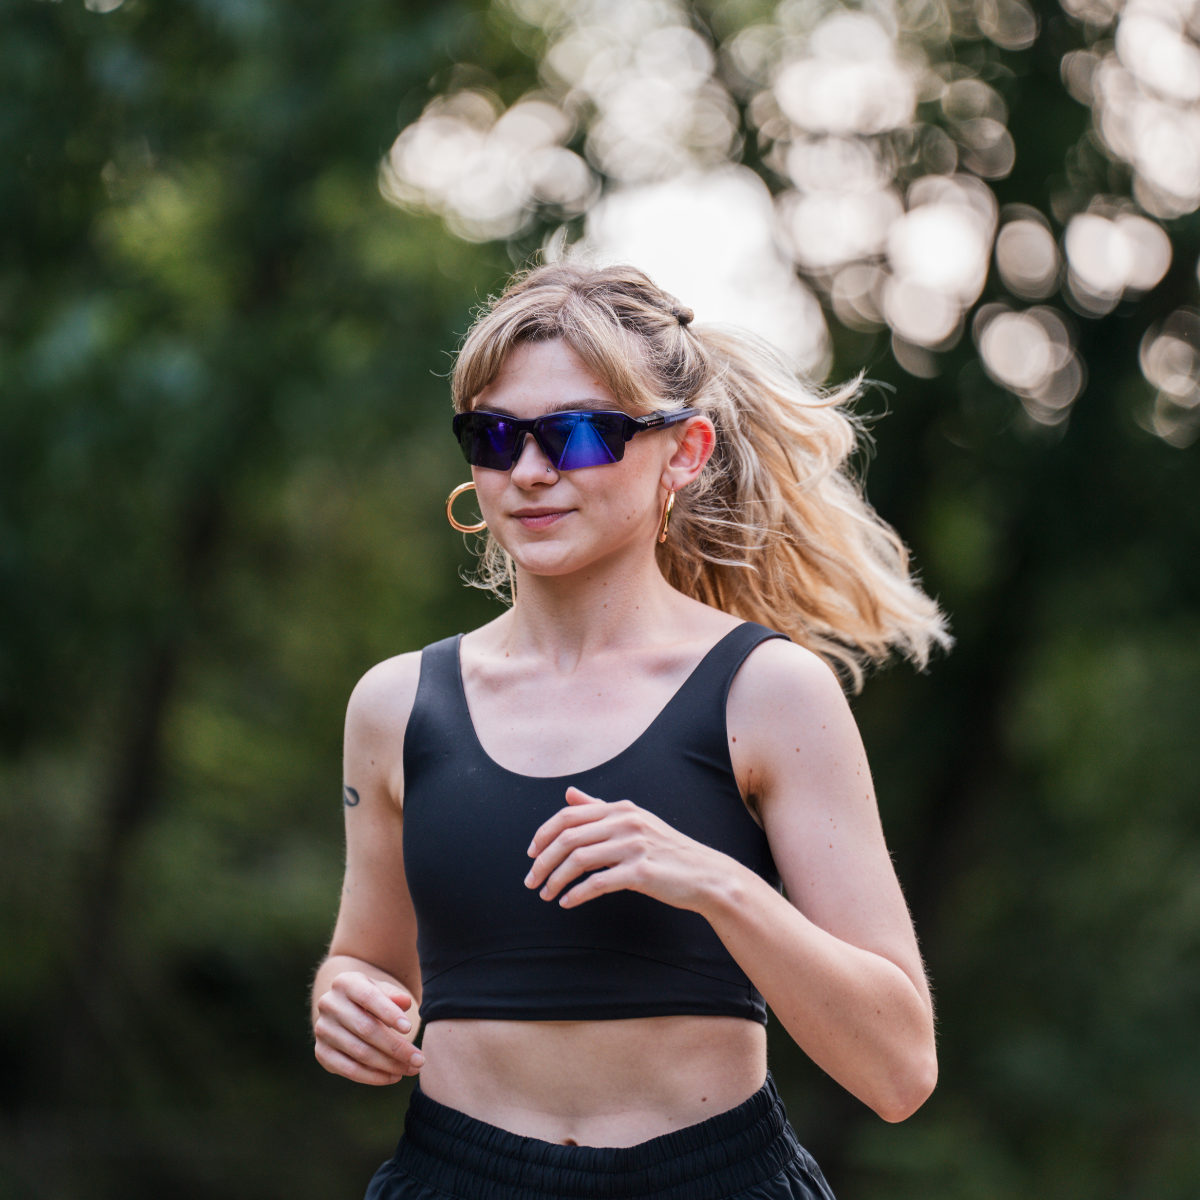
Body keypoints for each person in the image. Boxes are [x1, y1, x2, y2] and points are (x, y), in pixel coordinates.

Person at [311, 263, 950, 1200]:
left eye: (579, 433)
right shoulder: (396, 705)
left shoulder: (769, 694)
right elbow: (367, 963)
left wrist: (716, 883)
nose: (530, 472)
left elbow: (898, 1071)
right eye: (495, 437)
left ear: (684, 452)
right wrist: (345, 1001)